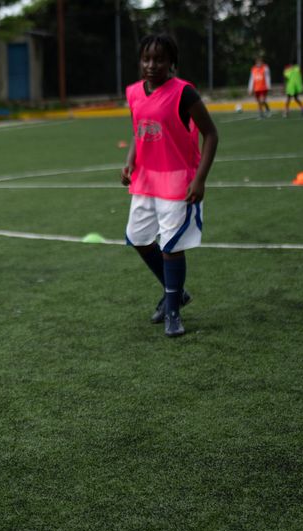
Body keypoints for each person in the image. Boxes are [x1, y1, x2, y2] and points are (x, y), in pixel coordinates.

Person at [120, 33, 219, 338]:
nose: (152, 65)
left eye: (159, 59)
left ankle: (173, 312)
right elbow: (140, 130)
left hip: (179, 181)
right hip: (146, 179)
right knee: (137, 237)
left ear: (171, 62)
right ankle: (176, 292)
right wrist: (130, 161)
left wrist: (200, 179)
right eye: (147, 58)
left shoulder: (184, 93)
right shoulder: (134, 92)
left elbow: (211, 135)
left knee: (171, 246)